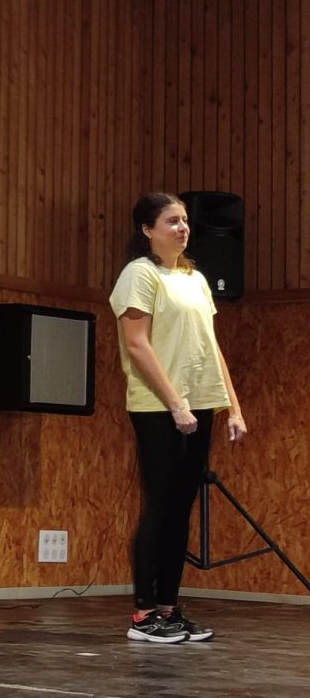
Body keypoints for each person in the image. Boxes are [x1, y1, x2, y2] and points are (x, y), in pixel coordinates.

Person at [109, 192, 246, 644]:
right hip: (158, 406)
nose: (183, 228)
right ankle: (144, 614)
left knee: (182, 506)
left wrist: (232, 406)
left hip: (199, 402)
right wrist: (175, 404)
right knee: (160, 504)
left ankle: (168, 607)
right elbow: (137, 344)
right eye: (172, 220)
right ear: (148, 230)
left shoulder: (195, 278)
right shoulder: (139, 274)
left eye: (185, 220)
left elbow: (210, 344)